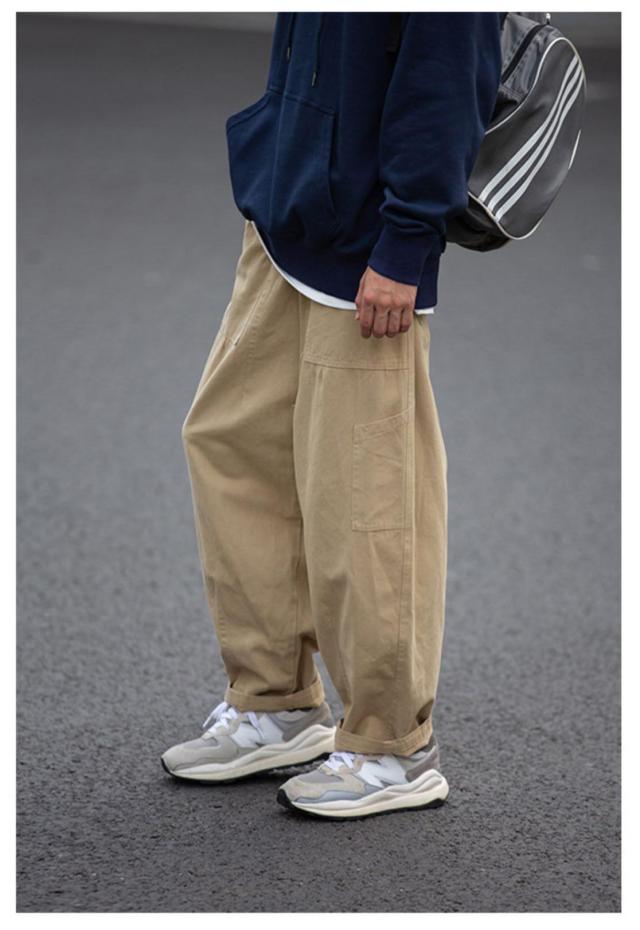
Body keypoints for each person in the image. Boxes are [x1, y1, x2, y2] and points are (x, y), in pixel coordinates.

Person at [162, 12, 502, 819]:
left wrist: (408, 239)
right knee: (233, 442)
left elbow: (446, 72)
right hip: (289, 209)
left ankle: (393, 746)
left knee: (364, 502)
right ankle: (275, 700)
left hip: (367, 242)